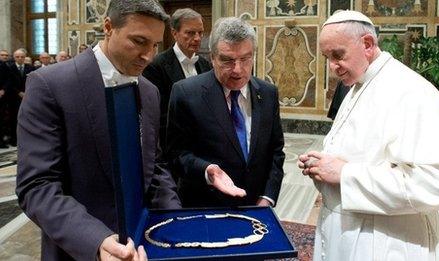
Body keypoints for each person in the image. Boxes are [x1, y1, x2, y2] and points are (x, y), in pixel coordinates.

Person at [16, 1, 180, 260]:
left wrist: (174, 218)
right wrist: (96, 240)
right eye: (139, 41)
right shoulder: (50, 86)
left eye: (155, 45)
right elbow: (37, 186)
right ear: (108, 27)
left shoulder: (150, 92)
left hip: (146, 246)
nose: (149, 55)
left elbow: (154, 165)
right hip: (80, 250)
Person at [298, 10, 439, 261]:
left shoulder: (410, 92)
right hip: (350, 232)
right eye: (326, 57)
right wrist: (322, 163)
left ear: (367, 44)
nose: (332, 68)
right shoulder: (359, 84)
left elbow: (434, 186)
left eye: (338, 55)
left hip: (387, 243)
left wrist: (344, 173)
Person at [167, 17, 285, 208]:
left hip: (256, 204)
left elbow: (276, 151)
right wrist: (207, 171)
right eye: (227, 60)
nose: (237, 70)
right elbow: (176, 154)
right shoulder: (186, 93)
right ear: (212, 57)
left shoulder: (268, 93)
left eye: (245, 59)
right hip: (206, 204)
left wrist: (268, 197)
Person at [143, 8, 211, 150]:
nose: (198, 38)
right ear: (174, 33)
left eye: (200, 32)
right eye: (190, 33)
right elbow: (157, 116)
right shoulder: (156, 66)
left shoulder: (206, 65)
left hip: (204, 145)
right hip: (174, 147)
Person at [5, 48, 35, 146]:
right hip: (14, 98)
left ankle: (27, 138)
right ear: (14, 58)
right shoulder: (9, 68)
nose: (20, 58)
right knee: (14, 119)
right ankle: (14, 139)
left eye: (22, 57)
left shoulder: (30, 68)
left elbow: (33, 82)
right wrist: (18, 92)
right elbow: (9, 83)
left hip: (28, 97)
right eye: (17, 57)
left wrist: (27, 92)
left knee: (27, 118)